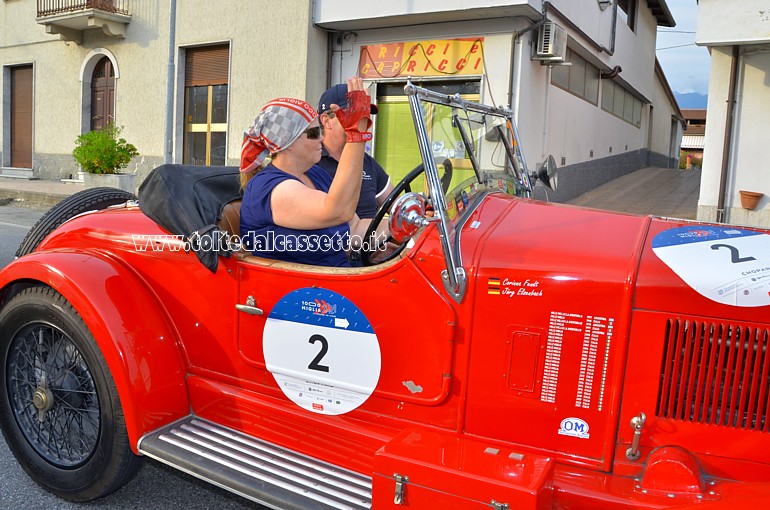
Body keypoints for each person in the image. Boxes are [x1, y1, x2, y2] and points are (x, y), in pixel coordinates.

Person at [238, 77, 373, 267]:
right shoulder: (269, 187)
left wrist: (403, 226)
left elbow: (355, 228)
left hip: (334, 282)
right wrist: (356, 135)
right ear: (287, 143)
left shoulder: (315, 174)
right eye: (313, 133)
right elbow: (338, 211)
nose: (321, 138)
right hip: (301, 291)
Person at [317, 83, 395, 237]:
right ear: (326, 121)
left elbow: (396, 204)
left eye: (364, 116)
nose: (362, 123)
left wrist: (421, 208)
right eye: (353, 115)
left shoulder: (368, 162)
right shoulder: (312, 163)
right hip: (339, 253)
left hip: (373, 247)